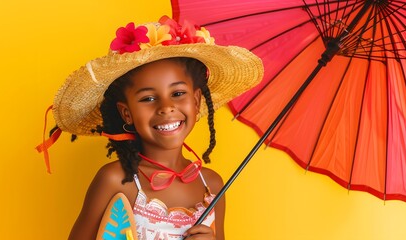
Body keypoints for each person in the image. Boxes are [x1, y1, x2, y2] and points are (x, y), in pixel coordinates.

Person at [41, 16, 263, 239]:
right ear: (126, 112)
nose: (166, 108)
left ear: (196, 101)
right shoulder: (115, 180)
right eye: (148, 98)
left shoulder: (212, 186)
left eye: (177, 94)